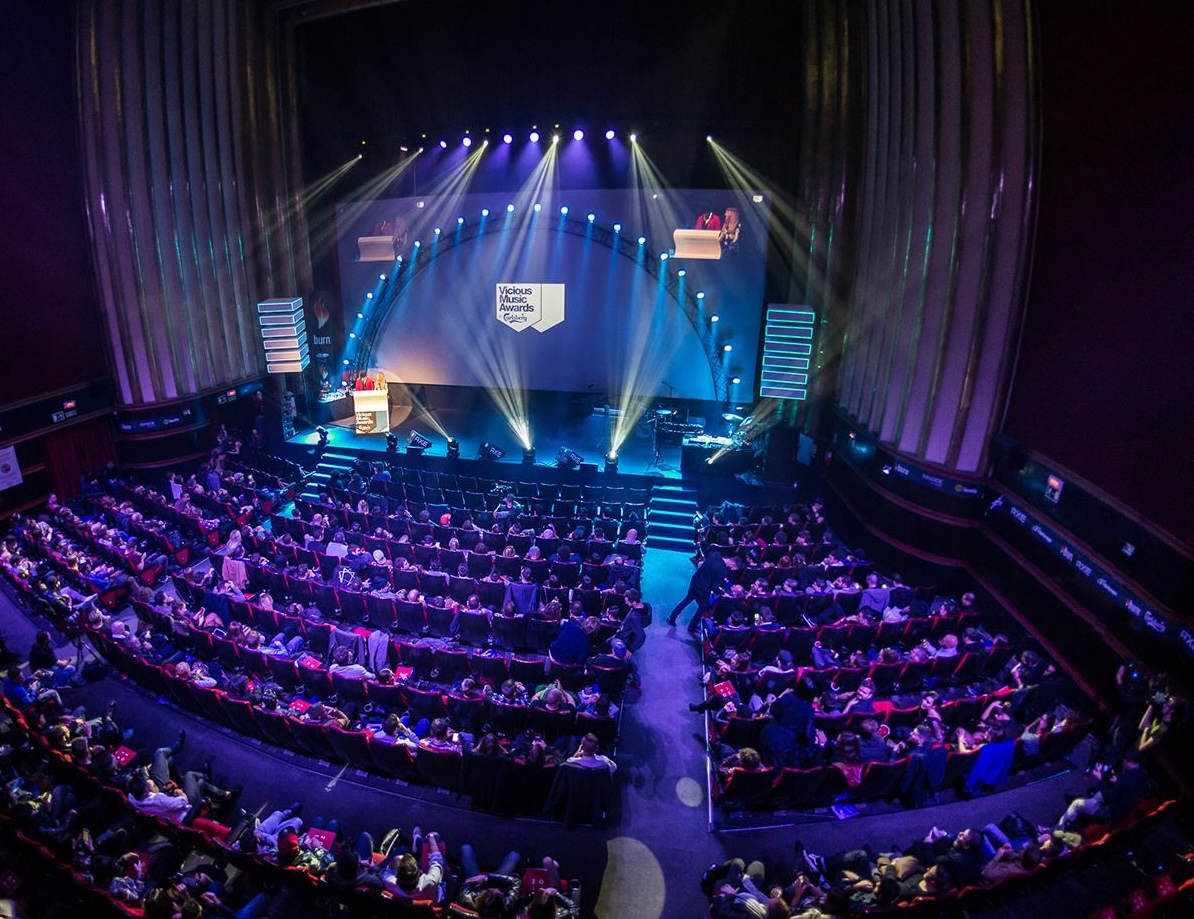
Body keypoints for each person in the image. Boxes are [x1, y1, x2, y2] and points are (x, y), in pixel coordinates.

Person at [667, 550, 729, 633]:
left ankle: (672, 617)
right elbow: (714, 587)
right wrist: (722, 593)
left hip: (695, 582)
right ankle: (692, 627)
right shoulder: (723, 571)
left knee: (686, 600)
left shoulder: (716, 554)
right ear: (733, 565)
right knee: (702, 608)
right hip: (703, 590)